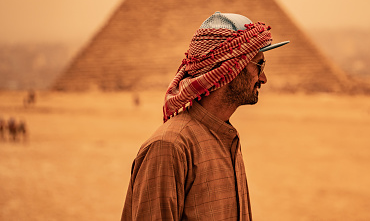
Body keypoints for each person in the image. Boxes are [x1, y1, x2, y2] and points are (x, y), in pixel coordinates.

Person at [121, 12, 289, 221]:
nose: (263, 78)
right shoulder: (170, 146)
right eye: (259, 65)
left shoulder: (225, 137)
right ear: (229, 68)